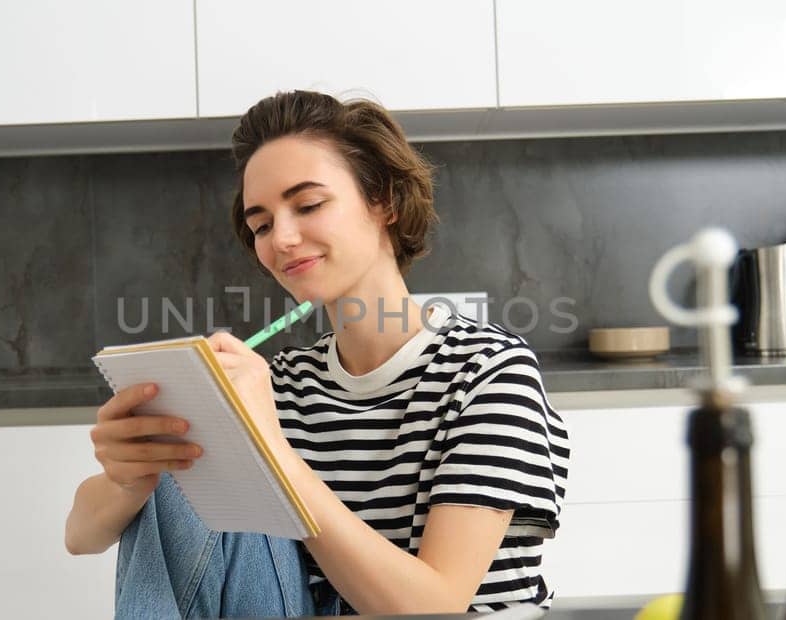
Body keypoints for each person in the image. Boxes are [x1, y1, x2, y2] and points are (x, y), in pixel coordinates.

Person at [64, 90, 569, 617]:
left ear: (386, 202)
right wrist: (129, 478)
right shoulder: (282, 385)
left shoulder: (488, 371)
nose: (280, 238)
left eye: (308, 205)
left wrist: (272, 451)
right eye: (261, 224)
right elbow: (80, 536)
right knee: (180, 455)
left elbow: (434, 607)